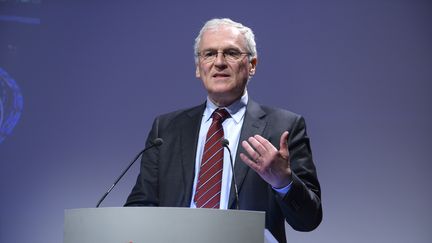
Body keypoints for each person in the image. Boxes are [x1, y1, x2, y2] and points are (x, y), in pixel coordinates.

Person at [125, 18, 322, 242]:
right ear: (198, 68)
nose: (219, 62)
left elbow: (309, 220)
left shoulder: (284, 127)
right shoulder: (166, 129)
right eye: (209, 54)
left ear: (252, 65)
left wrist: (283, 182)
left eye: (231, 53)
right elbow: (139, 207)